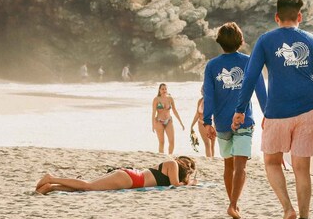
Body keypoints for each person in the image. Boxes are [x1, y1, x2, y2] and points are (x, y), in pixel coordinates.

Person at [232, 0, 313, 219]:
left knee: (271, 162)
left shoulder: (266, 40)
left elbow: (249, 77)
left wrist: (240, 109)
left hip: (277, 113)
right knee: (302, 169)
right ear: (299, 17)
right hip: (307, 112)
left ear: (276, 17)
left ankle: (288, 209)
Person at [204, 22, 268, 219]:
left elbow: (209, 96)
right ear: (241, 41)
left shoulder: (212, 66)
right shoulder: (249, 61)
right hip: (244, 121)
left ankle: (233, 204)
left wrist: (207, 121)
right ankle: (233, 204)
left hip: (222, 123)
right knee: (241, 166)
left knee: (228, 165)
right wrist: (268, 114)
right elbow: (260, 91)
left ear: (219, 42)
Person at [35, 156, 197, 194]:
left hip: (130, 177)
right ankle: (51, 178)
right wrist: (189, 184)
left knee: (87, 187)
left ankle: (51, 187)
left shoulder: (169, 166)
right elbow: (175, 185)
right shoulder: (172, 163)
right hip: (132, 179)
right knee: (88, 186)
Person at [152, 83, 185, 154]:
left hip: (168, 121)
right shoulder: (156, 99)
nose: (164, 90)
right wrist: (153, 125)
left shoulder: (170, 99)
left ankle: (170, 156)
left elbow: (175, 111)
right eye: (162, 89)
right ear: (159, 90)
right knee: (161, 142)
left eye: (165, 89)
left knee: (172, 142)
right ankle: (161, 157)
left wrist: (181, 122)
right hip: (159, 121)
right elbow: (153, 113)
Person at [190, 87, 214, 159]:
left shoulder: (213, 100)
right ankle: (209, 159)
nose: (202, 91)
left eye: (203, 90)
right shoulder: (200, 101)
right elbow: (197, 113)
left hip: (211, 123)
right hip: (201, 123)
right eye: (201, 90)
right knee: (207, 143)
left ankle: (212, 159)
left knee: (212, 144)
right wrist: (192, 125)